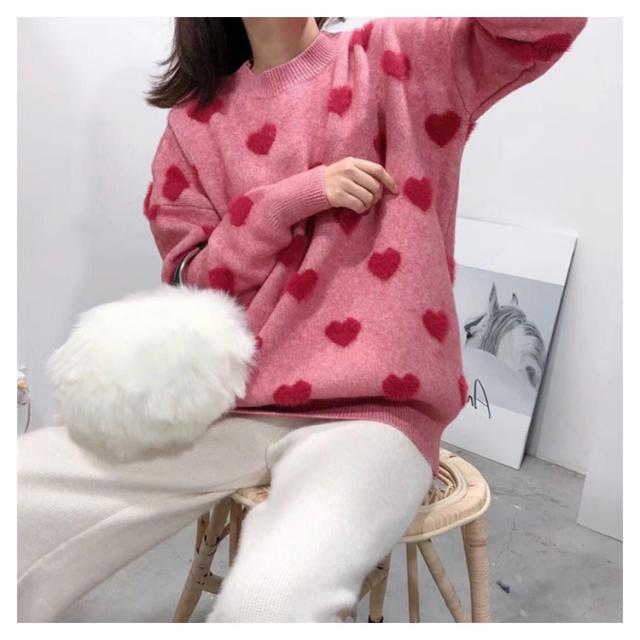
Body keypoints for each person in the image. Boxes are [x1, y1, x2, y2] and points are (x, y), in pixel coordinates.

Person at [17, 16, 587, 622]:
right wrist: (289, 199)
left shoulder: (399, 56)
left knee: (267, 605)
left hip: (375, 413)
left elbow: (546, 25)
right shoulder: (194, 124)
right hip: (235, 404)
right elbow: (193, 280)